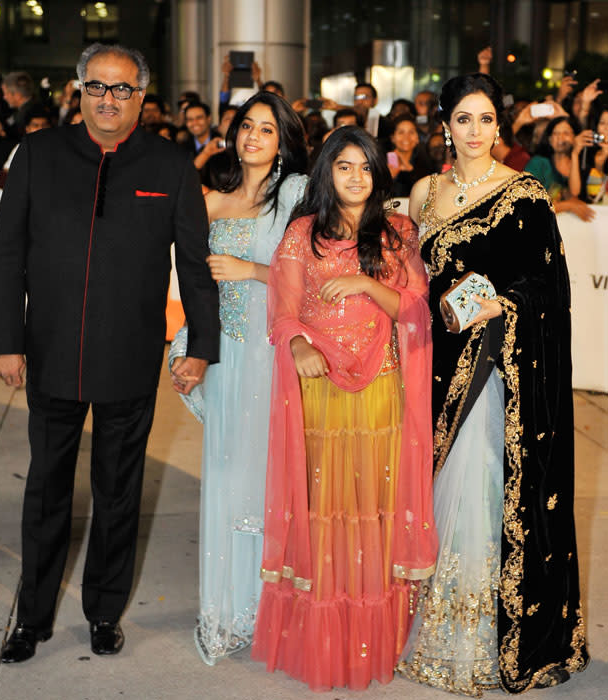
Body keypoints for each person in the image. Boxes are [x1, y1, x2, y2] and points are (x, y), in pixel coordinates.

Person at [0, 42, 219, 663]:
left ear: (141, 97)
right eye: (97, 87)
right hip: (51, 355)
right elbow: (5, 252)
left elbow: (195, 268)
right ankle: (31, 618)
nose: (108, 99)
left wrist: (201, 346)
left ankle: (104, 612)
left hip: (129, 358)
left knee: (119, 494)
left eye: (122, 89)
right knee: (46, 492)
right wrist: (5, 340)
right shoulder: (37, 154)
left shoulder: (171, 166)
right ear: (79, 92)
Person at [397, 72, 589, 695]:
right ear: (445, 126)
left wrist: (501, 306)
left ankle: (477, 640)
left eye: (485, 120)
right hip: (428, 360)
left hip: (492, 374)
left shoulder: (525, 194)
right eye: (463, 119)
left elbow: (550, 289)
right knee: (424, 491)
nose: (474, 132)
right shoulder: (425, 191)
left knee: (477, 493)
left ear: (499, 127)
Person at [252, 126, 437, 691]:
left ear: (378, 174)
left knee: (374, 506)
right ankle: (324, 633)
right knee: (326, 509)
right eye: (344, 166)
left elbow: (414, 305)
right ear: (325, 174)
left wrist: (361, 281)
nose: (356, 177)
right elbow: (281, 311)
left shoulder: (398, 232)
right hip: (322, 392)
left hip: (381, 391)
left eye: (365, 166)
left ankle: (376, 634)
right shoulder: (303, 233)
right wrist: (301, 345)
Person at [169, 91, 308, 665]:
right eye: (247, 125)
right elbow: (197, 290)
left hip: (273, 357)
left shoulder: (298, 195)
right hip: (226, 357)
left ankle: (274, 611)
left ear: (284, 142)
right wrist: (187, 349)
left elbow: (321, 272)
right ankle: (227, 610)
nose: (253, 136)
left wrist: (252, 270)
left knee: (273, 481)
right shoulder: (211, 202)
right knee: (226, 476)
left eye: (267, 129)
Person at [526, 115, 595, 221]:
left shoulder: (582, 165)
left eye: (566, 133)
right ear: (549, 139)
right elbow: (528, 205)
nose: (560, 138)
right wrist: (567, 206)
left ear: (575, 138)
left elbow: (575, 193)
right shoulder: (539, 164)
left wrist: (575, 154)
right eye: (555, 134)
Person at [387, 114, 434, 197]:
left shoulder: (426, 163)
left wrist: (408, 167)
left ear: (417, 138)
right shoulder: (384, 161)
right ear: (393, 138)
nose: (406, 137)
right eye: (401, 132)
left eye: (411, 132)